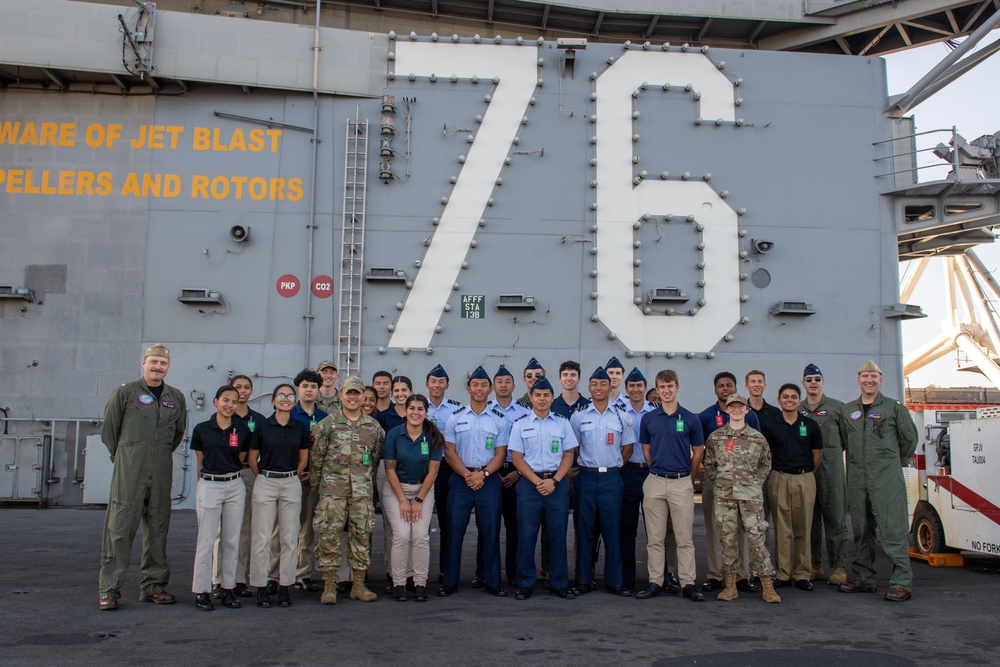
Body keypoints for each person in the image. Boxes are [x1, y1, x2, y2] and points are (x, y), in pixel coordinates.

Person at [98, 343, 187, 611]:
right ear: (144, 363)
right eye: (154, 362)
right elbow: (109, 432)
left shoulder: (176, 397)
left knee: (158, 528)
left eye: (163, 363)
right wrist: (127, 456)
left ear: (167, 367)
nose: (158, 367)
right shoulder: (125, 393)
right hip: (130, 470)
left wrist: (156, 454)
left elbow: (178, 433)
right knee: (120, 529)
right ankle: (110, 589)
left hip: (161, 469)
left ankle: (154, 586)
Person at [838, 361, 918, 602]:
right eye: (865, 376)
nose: (869, 380)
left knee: (893, 529)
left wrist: (893, 461)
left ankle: (902, 582)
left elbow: (909, 440)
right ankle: (863, 578)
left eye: (873, 376)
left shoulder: (894, 408)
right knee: (861, 530)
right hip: (857, 478)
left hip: (886, 478)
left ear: (880, 380)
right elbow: (845, 440)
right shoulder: (848, 410)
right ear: (858, 379)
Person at [311, 376, 385, 604]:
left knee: (361, 537)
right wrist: (319, 487)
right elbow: (317, 459)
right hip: (332, 492)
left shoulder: (373, 427)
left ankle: (359, 585)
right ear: (340, 396)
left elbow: (373, 460)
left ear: (364, 397)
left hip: (361, 492)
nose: (353, 397)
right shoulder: (326, 425)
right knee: (329, 537)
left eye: (357, 393)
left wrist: (366, 484)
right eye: (348, 393)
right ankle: (330, 586)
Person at [635, 370, 705, 602]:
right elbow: (646, 446)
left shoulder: (689, 418)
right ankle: (656, 581)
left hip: (681, 482)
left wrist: (689, 475)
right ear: (657, 390)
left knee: (684, 537)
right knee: (655, 537)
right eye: (661, 387)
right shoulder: (649, 418)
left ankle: (687, 583)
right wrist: (653, 464)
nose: (666, 391)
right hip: (655, 481)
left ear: (677, 387)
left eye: (669, 386)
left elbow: (698, 451)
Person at [703, 394, 781, 603]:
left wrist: (755, 483)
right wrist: (720, 481)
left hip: (750, 498)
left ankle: (767, 586)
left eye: (740, 407)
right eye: (732, 407)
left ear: (747, 410)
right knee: (728, 542)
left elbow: (766, 463)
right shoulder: (716, 437)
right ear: (727, 410)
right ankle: (730, 586)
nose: (736, 410)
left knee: (756, 540)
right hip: (725, 497)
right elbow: (709, 463)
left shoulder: (757, 438)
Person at [440, 366, 509, 597]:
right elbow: (449, 451)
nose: (479, 389)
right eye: (475, 385)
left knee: (490, 531)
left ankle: (492, 581)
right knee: (454, 531)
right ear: (468, 388)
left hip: (488, 480)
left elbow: (501, 453)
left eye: (483, 385)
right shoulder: (455, 417)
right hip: (461, 479)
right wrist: (468, 475)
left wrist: (484, 475)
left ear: (490, 389)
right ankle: (449, 581)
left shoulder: (499, 420)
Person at [509, 376, 579, 600]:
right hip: (530, 485)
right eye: (537, 395)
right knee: (527, 536)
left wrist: (555, 481)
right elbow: (517, 458)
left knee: (558, 536)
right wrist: (536, 481)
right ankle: (525, 582)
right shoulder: (521, 424)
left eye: (546, 395)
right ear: (530, 396)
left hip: (556, 484)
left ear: (552, 397)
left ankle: (558, 582)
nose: (542, 399)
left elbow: (569, 454)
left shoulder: (562, 423)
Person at [570, 367, 633, 596]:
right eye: (594, 384)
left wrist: (613, 467)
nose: (598, 388)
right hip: (586, 477)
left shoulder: (621, 416)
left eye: (603, 384)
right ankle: (583, 581)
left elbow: (627, 448)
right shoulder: (579, 416)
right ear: (589, 387)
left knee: (613, 530)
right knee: (584, 531)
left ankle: (615, 581)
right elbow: (573, 448)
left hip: (611, 479)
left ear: (610, 387)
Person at [698, 372, 761, 594]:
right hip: (716, 484)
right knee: (716, 530)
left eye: (729, 385)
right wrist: (715, 478)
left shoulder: (750, 416)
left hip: (745, 484)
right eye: (721, 386)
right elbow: (703, 452)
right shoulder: (706, 416)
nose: (725, 389)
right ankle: (715, 575)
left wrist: (755, 481)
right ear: (715, 390)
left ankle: (743, 576)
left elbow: (760, 453)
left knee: (743, 529)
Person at [248, 384, 310, 608]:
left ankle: (285, 586)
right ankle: (261, 586)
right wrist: (264, 477)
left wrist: (293, 474)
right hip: (266, 481)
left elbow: (303, 459)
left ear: (294, 401)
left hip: (291, 482)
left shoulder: (300, 428)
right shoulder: (263, 426)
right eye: (281, 396)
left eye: (290, 396)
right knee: (262, 537)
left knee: (290, 537)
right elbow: (253, 459)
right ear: (273, 400)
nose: (286, 399)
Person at [191, 385, 251, 611]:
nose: (230, 405)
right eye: (225, 400)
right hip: (210, 484)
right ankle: (201, 590)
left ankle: (227, 587)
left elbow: (241, 458)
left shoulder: (243, 430)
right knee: (206, 540)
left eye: (234, 402)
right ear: (216, 401)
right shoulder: (202, 429)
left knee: (231, 540)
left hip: (234, 484)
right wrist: (202, 487)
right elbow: (200, 461)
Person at [760, 384, 823, 590]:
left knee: (804, 526)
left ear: (799, 400)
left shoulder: (810, 425)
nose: (789, 400)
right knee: (782, 528)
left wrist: (805, 475)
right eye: (785, 397)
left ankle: (803, 574)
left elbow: (817, 455)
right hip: (779, 477)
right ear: (778, 400)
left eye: (794, 397)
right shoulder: (771, 424)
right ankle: (784, 573)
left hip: (804, 478)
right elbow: (766, 453)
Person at [383, 394, 443, 602]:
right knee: (401, 535)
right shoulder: (394, 434)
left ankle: (419, 583)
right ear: (405, 411)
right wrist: (402, 500)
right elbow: (389, 470)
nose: (415, 412)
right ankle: (399, 583)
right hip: (395, 489)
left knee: (419, 536)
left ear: (426, 413)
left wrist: (418, 501)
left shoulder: (433, 436)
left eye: (420, 409)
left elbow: (433, 473)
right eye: (412, 408)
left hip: (422, 490)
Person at [799, 363, 848, 586]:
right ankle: (814, 565)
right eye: (809, 379)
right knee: (809, 522)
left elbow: (846, 440)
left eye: (817, 379)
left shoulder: (838, 408)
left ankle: (838, 566)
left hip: (831, 472)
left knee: (835, 519)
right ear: (803, 383)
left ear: (823, 382)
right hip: (806, 472)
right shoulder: (797, 409)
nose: (813, 383)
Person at [615, 368, 658, 592]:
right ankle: (626, 578)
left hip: (651, 472)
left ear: (644, 387)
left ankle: (659, 578)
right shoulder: (618, 411)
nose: (635, 389)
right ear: (626, 389)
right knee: (627, 527)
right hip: (628, 472)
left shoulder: (654, 411)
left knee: (656, 530)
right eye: (631, 386)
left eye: (639, 386)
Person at [488, 364, 529, 586]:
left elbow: (531, 448)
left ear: (514, 385)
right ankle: (484, 573)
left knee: (516, 527)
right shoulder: (483, 410)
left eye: (507, 382)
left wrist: (518, 473)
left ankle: (514, 574)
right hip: (490, 473)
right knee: (489, 526)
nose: (503, 386)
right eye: (499, 382)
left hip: (517, 473)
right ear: (493, 386)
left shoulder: (525, 413)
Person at [288, 369, 328, 593]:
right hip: (291, 477)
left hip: (314, 480)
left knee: (308, 529)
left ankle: (302, 574)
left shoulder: (324, 418)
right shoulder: (289, 414)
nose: (309, 390)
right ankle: (281, 573)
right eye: (305, 386)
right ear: (298, 389)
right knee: (286, 528)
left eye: (313, 386)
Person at [376, 376, 414, 592]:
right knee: (391, 526)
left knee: (412, 528)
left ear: (410, 391)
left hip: (412, 472)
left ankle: (410, 573)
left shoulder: (416, 413)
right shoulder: (383, 417)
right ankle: (393, 572)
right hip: (388, 470)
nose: (400, 394)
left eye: (404, 390)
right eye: (396, 390)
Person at [425, 364, 461, 582]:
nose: (437, 385)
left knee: (448, 521)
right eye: (433, 381)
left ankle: (445, 569)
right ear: (427, 384)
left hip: (446, 469)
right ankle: (416, 572)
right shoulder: (419, 406)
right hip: (422, 468)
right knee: (420, 524)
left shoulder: (456, 410)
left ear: (447, 385)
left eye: (441, 382)